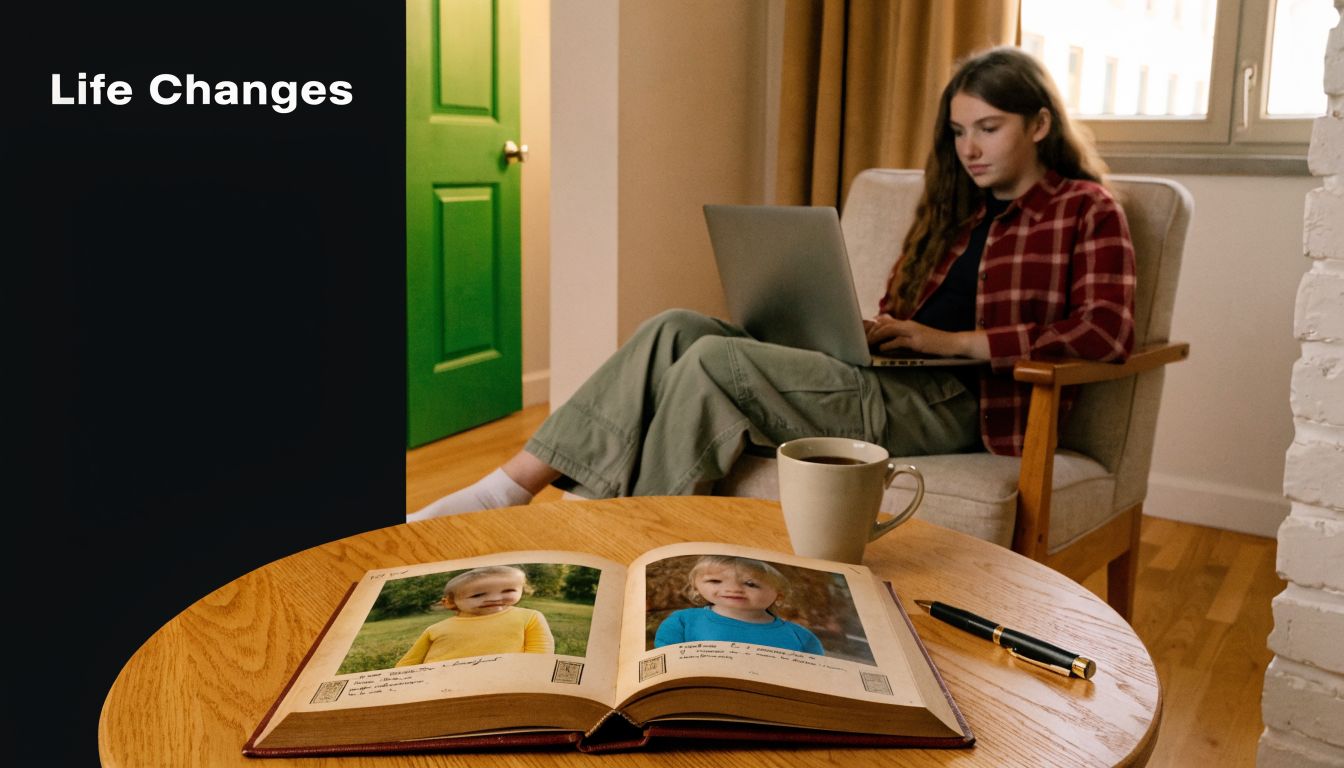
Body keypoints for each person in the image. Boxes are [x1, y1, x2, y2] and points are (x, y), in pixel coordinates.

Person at [408, 45, 1134, 520]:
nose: (968, 148)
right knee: (673, 328)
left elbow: (1105, 332)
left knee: (712, 363)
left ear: (1039, 124)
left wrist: (957, 342)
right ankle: (508, 489)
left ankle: (629, 538)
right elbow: (902, 314)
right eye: (958, 131)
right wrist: (872, 329)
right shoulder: (954, 210)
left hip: (956, 407)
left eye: (989, 127)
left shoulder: (1085, 209)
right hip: (886, 376)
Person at [653, 555, 824, 654]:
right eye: (715, 580)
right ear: (696, 586)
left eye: (750, 584)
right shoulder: (682, 622)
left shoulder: (802, 638)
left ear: (779, 593)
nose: (732, 589)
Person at [394, 565, 555, 666]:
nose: (494, 598)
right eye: (477, 595)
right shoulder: (436, 629)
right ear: (450, 602)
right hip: (438, 683)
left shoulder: (529, 617)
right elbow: (410, 661)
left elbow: (540, 653)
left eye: (508, 590)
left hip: (503, 681)